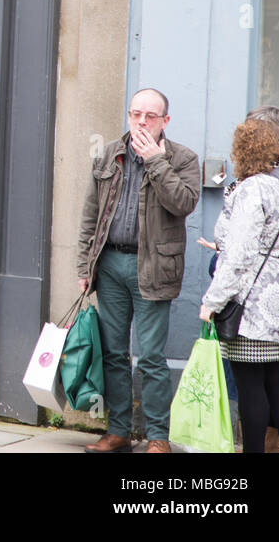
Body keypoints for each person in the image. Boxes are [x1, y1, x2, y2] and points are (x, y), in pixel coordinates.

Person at [76, 87, 201, 453]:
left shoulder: (182, 159)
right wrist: (85, 266)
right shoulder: (108, 154)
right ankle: (118, 431)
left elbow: (183, 203)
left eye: (150, 116)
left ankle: (157, 436)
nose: (141, 122)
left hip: (153, 267)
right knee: (114, 352)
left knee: (149, 356)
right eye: (135, 114)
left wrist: (155, 162)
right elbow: (90, 215)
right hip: (110, 265)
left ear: (165, 121)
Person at [199, 119, 279, 453]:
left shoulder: (252, 188)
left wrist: (212, 301)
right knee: (278, 384)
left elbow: (240, 253)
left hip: (250, 301)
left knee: (250, 386)